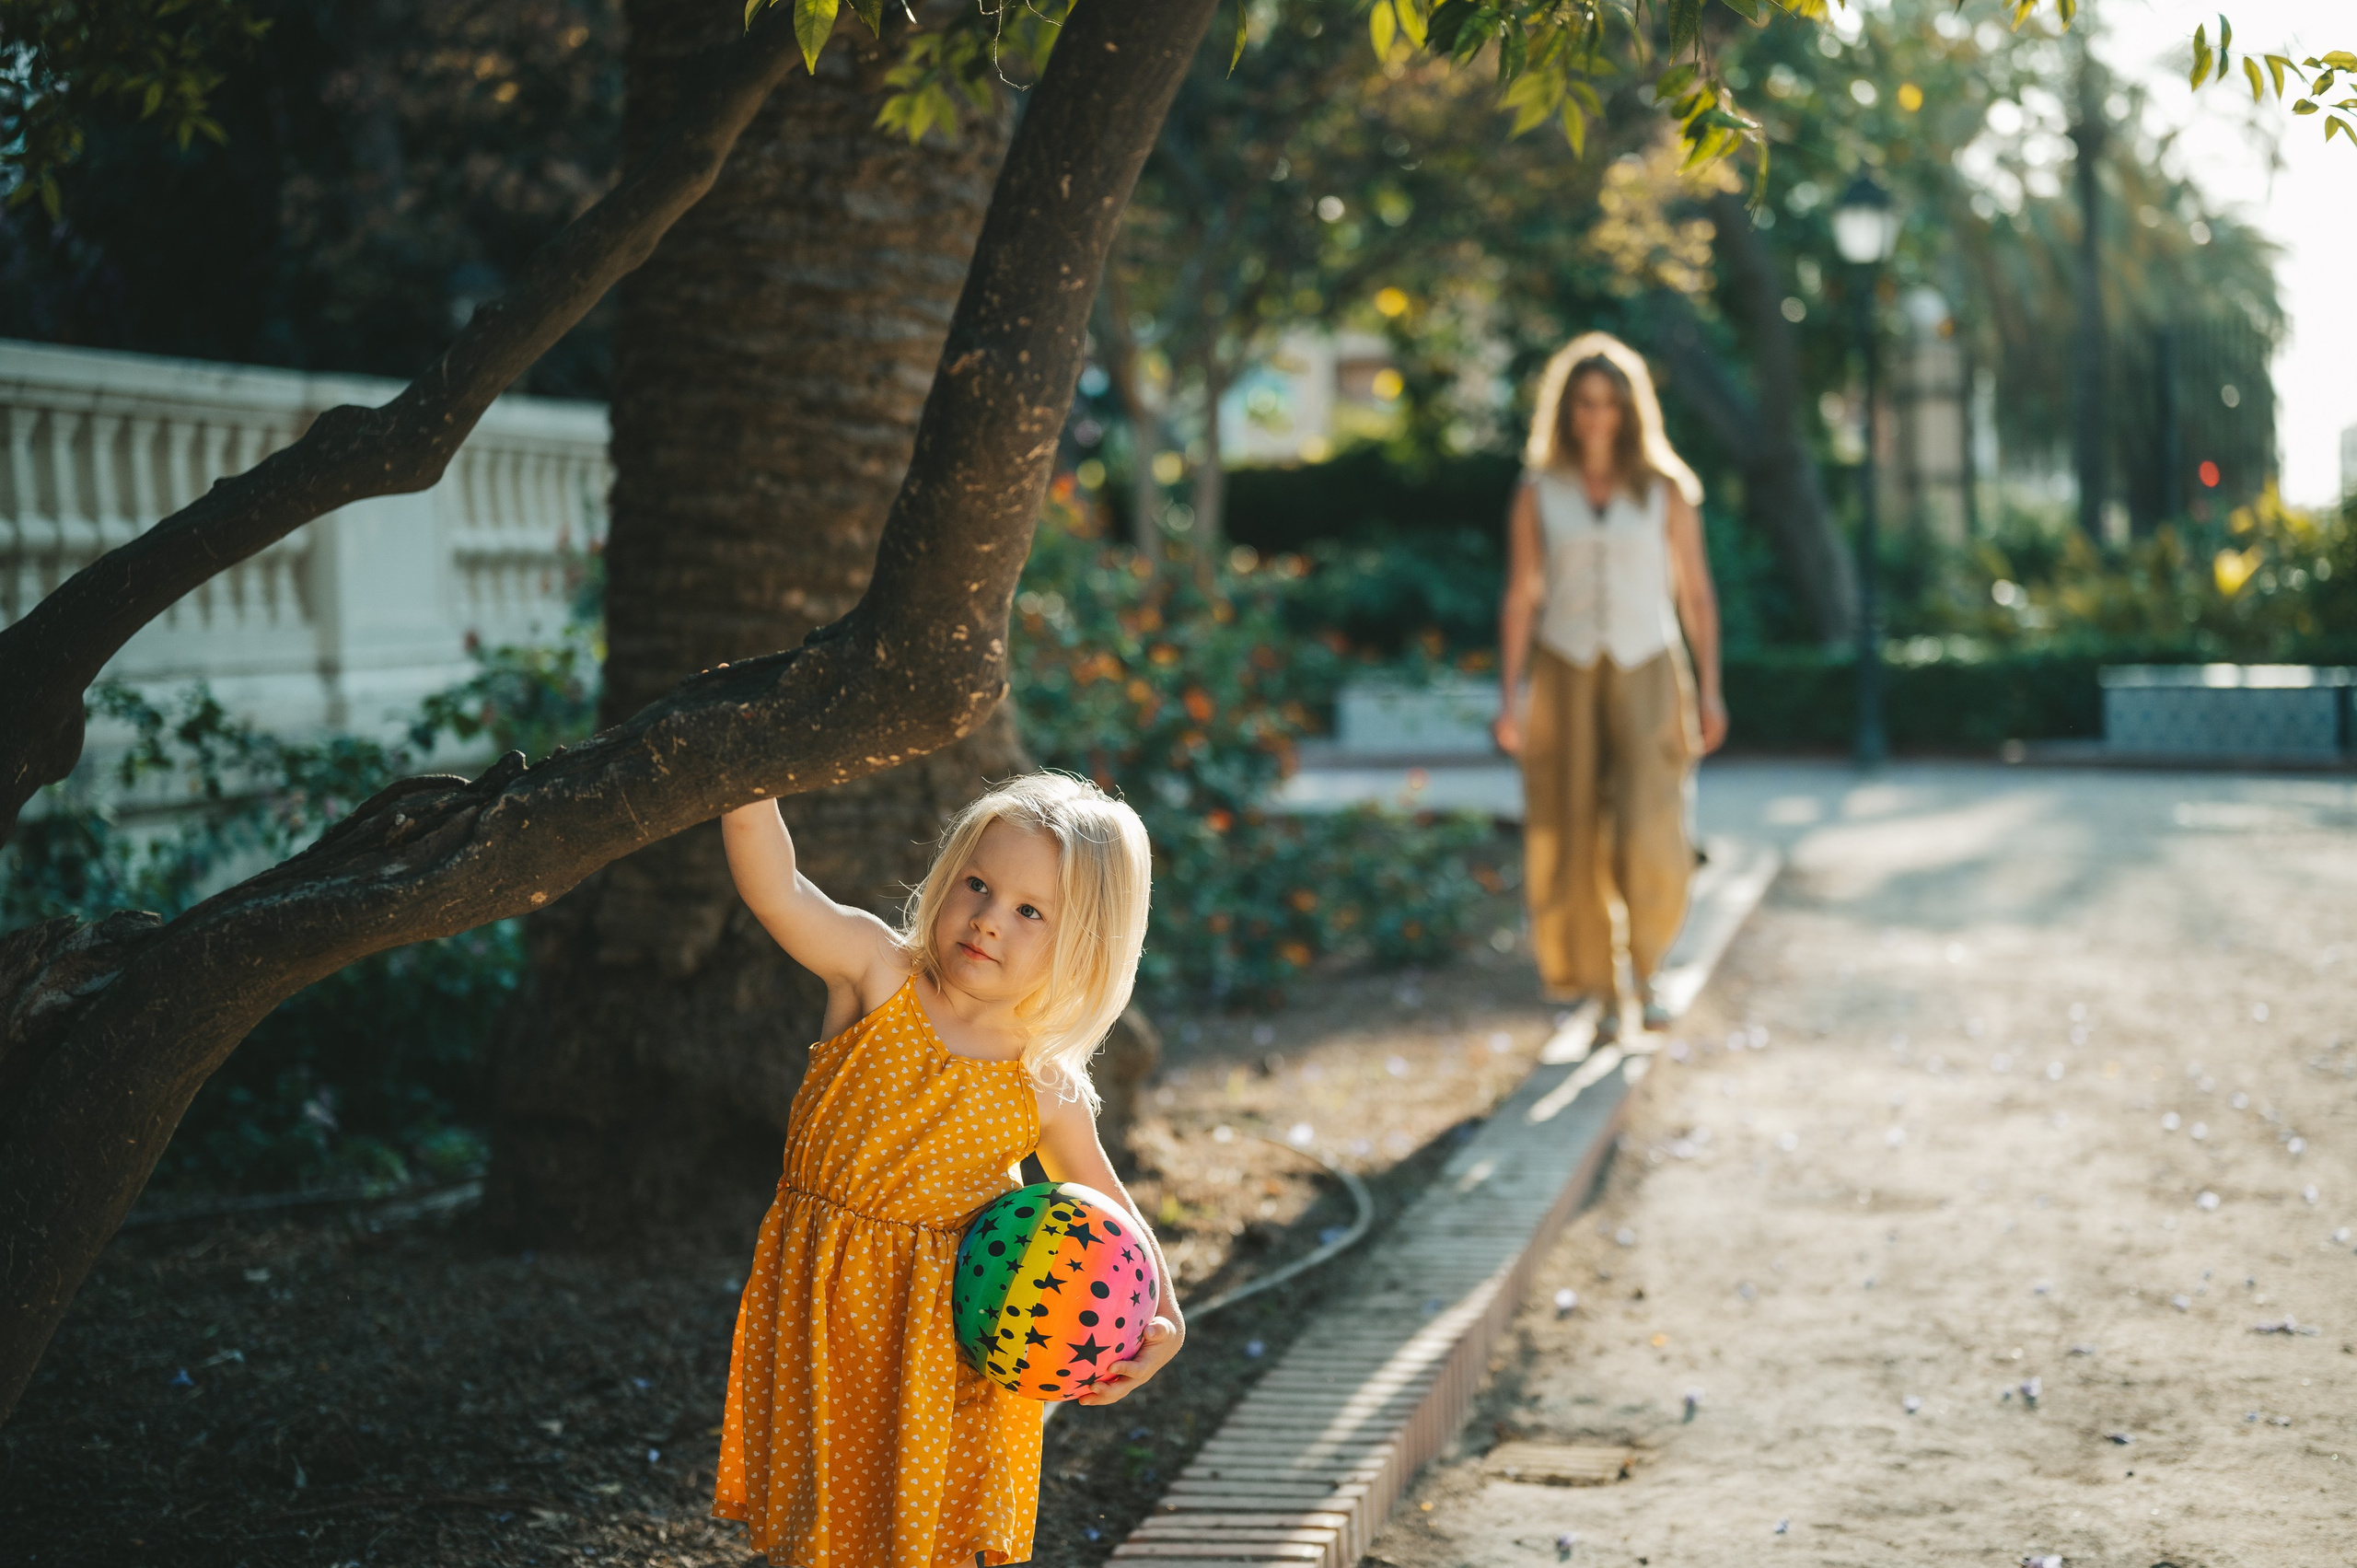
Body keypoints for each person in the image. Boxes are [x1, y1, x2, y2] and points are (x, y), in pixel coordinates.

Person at [710, 772, 1179, 1568]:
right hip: (830, 1320)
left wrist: (1164, 1318)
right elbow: (778, 890)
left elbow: (1109, 1206)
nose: (990, 920)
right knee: (818, 1527)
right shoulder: (876, 975)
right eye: (978, 884)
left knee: (930, 1540)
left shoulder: (1042, 1082)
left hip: (949, 1355)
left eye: (1031, 910)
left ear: (1083, 945)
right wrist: (745, 771)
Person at [1492, 332, 1727, 1040]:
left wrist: (1711, 690)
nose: (1597, 417)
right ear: (1566, 410)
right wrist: (1512, 696)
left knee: (1653, 823)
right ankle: (1599, 990)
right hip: (1564, 671)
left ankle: (1649, 972)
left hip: (1649, 665)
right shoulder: (1538, 492)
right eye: (1585, 403)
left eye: (1610, 404)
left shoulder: (1666, 489)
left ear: (1630, 411)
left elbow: (1697, 596)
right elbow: (1521, 598)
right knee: (1569, 828)